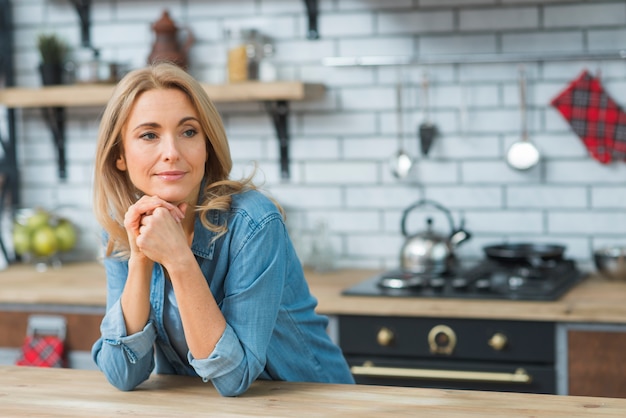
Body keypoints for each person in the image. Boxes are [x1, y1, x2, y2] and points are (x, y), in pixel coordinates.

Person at [90, 62, 354, 396]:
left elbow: (234, 378)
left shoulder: (253, 223)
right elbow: (121, 373)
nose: (171, 153)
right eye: (149, 135)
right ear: (120, 156)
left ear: (207, 145)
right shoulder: (124, 227)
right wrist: (140, 258)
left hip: (316, 403)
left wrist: (178, 259)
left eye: (188, 132)